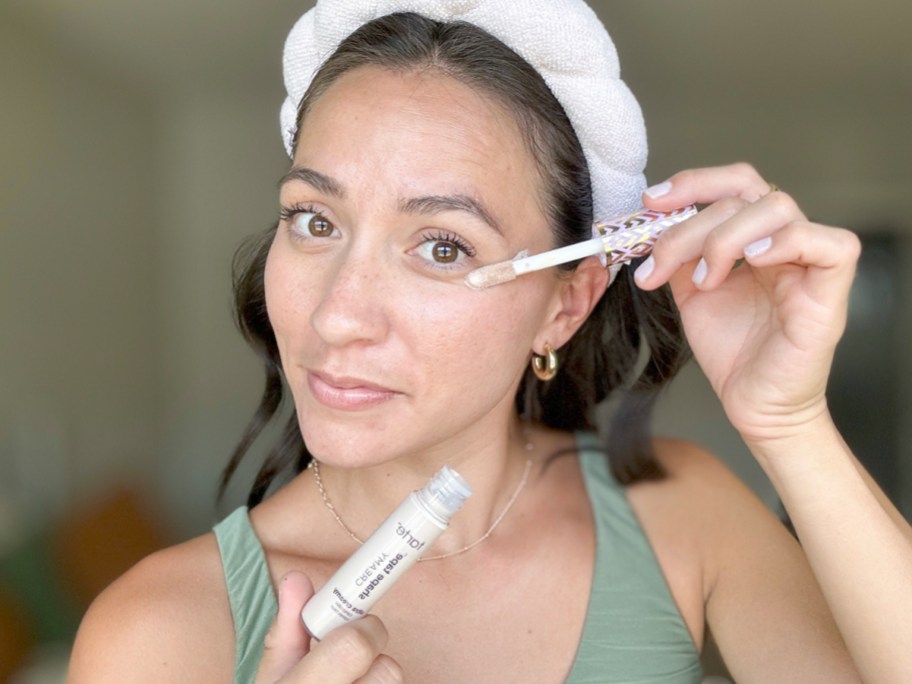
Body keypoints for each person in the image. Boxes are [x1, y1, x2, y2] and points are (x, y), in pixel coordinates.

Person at [69, 1, 912, 682]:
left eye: (443, 246)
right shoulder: (156, 635)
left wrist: (791, 424)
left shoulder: (682, 516)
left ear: (564, 303)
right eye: (315, 220)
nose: (336, 316)